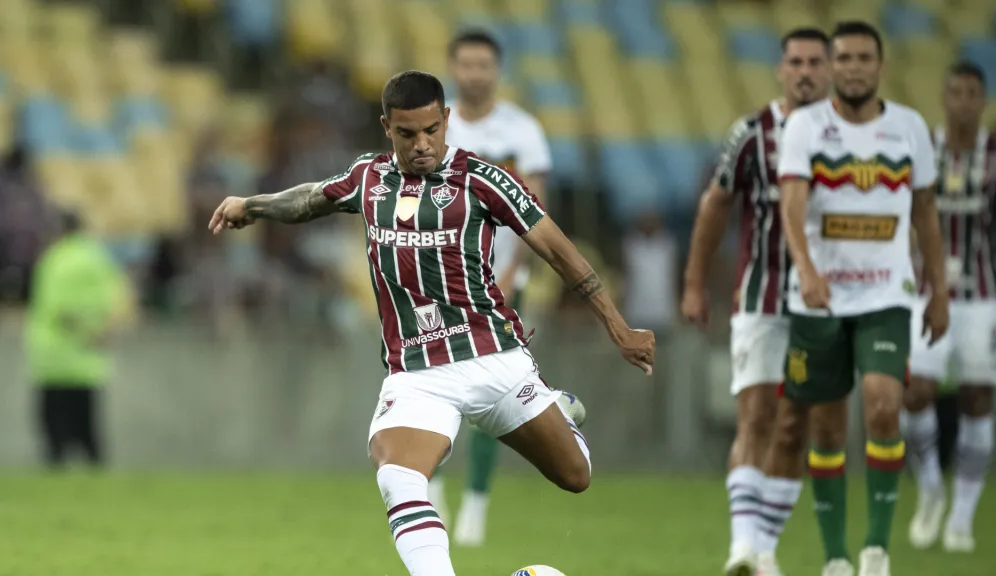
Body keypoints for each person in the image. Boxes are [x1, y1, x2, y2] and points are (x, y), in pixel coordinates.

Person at [208, 70, 655, 576]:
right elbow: (312, 198)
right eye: (406, 133)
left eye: (430, 131)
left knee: (576, 476)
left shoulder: (485, 181)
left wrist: (619, 327)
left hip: (493, 358)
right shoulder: (370, 178)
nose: (421, 144)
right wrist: (253, 205)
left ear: (445, 121)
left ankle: (555, 408)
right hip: (419, 373)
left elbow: (560, 252)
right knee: (397, 474)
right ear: (386, 127)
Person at [763, 21, 948, 576]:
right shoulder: (805, 127)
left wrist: (938, 289)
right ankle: (836, 557)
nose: (853, 66)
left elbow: (926, 215)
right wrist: (808, 269)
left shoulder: (910, 129)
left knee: (884, 404)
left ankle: (875, 550)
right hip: (819, 299)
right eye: (842, 57)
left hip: (887, 293)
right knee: (824, 427)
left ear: (880, 65)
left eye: (864, 56)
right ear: (833, 64)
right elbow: (791, 209)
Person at [681, 27, 831, 576]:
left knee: (796, 423)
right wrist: (695, 282)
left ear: (831, 69)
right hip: (761, 298)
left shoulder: (850, 139)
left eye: (817, 61)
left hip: (825, 303)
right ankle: (742, 547)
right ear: (781, 69)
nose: (806, 71)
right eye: (796, 61)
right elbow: (715, 205)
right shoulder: (752, 132)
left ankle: (764, 547)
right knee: (756, 415)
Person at [423, 28, 573, 547]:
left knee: (493, 387)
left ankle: (477, 505)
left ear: (497, 70)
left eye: (484, 65)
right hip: (440, 280)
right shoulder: (435, 127)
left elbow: (535, 210)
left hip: (504, 278)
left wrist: (514, 275)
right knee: (432, 382)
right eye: (465, 64)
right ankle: (435, 490)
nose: (475, 74)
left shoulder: (523, 131)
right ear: (452, 68)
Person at [904, 60, 995, 554]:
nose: (963, 101)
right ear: (945, 97)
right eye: (955, 92)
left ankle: (961, 516)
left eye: (972, 93)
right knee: (914, 392)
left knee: (978, 398)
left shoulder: (994, 153)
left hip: (983, 296)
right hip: (926, 290)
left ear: (983, 100)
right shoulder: (925, 152)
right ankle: (931, 490)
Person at [25, 210, 128, 469]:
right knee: (89, 435)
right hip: (88, 364)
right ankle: (99, 489)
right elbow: (120, 299)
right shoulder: (98, 258)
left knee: (55, 437)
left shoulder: (55, 259)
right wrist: (101, 333)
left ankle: (57, 486)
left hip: (54, 361)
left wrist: (79, 331)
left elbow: (58, 309)